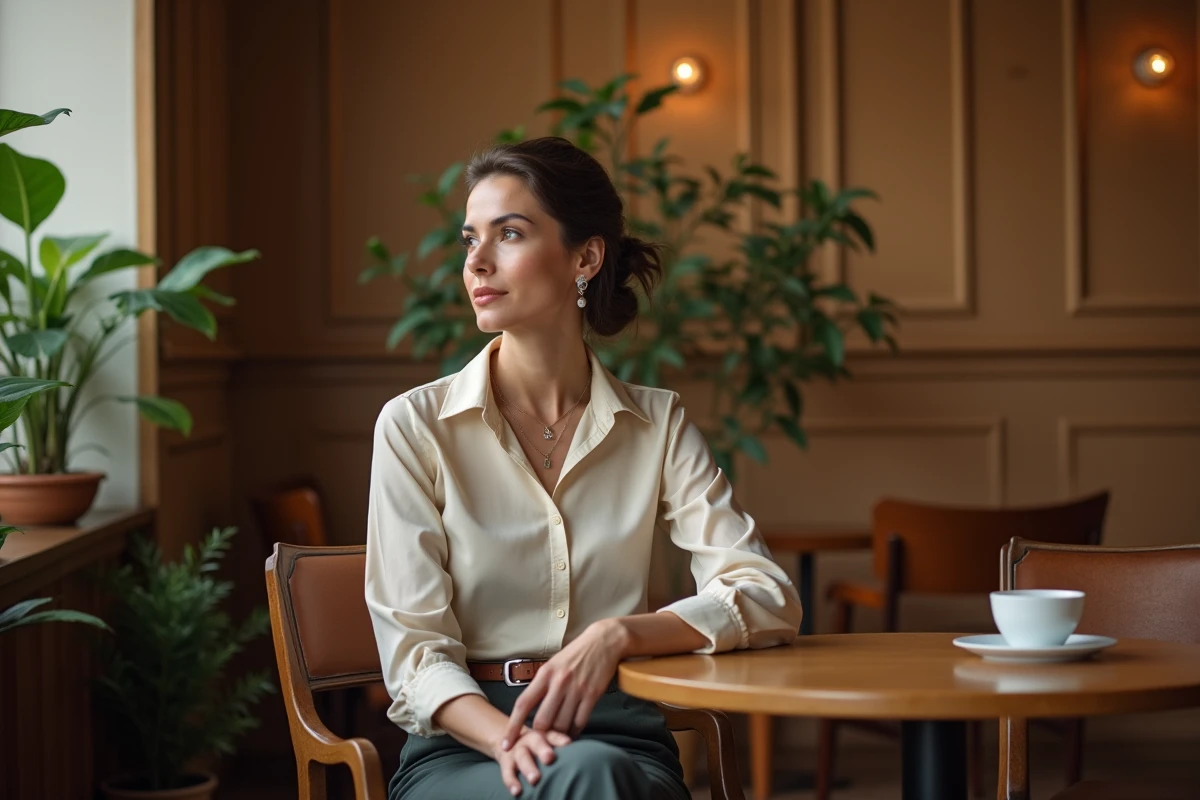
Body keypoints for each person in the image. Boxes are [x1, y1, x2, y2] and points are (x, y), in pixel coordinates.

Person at [365, 136, 803, 800]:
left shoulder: (657, 426)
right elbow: (414, 655)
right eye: (469, 239)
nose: (476, 262)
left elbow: (767, 596)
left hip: (624, 738)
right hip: (464, 750)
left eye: (508, 233)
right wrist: (510, 740)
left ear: (586, 257)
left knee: (599, 774)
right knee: (589, 780)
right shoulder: (414, 426)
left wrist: (619, 635)